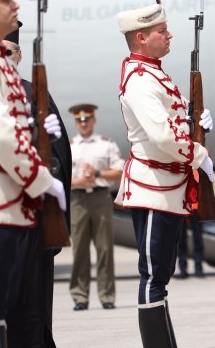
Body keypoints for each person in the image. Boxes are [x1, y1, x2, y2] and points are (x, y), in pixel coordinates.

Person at [115, 3, 214, 347]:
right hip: (153, 186)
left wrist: (196, 123)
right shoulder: (141, 80)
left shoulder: (153, 73)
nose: (169, 35)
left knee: (161, 274)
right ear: (141, 38)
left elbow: (173, 124)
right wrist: (198, 154)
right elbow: (161, 136)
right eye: (161, 31)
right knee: (154, 275)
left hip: (166, 185)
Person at [0, 0, 67, 347]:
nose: (16, 5)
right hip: (10, 205)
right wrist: (45, 182)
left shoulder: (23, 84)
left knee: (27, 310)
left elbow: (55, 154)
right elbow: (6, 140)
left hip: (28, 211)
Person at [68, 103, 124, 311]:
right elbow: (61, 176)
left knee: (104, 248)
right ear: (76, 122)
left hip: (101, 198)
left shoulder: (105, 144)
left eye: (87, 119)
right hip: (78, 199)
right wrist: (77, 182)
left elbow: (119, 170)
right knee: (79, 249)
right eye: (79, 120)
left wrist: (98, 174)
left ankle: (106, 295)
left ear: (94, 120)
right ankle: (80, 296)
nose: (83, 123)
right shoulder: (70, 146)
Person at [174, 190, 205, 279]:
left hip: (196, 208)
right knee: (181, 240)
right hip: (182, 206)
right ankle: (183, 270)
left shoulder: (199, 175)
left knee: (198, 240)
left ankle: (198, 269)